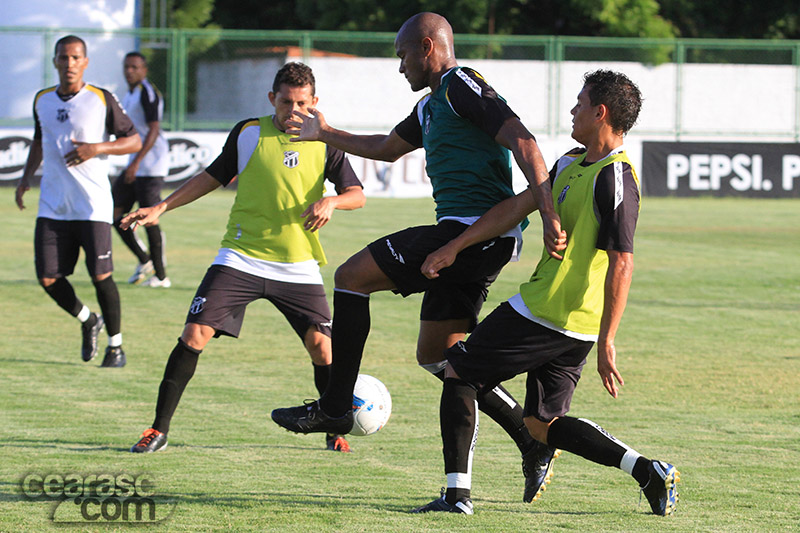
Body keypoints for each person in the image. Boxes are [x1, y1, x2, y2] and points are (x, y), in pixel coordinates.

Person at [271, 12, 566, 500]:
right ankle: (528, 440)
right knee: (442, 358)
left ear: (428, 47)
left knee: (351, 277)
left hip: (471, 233)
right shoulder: (433, 105)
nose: (399, 65)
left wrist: (549, 213)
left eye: (402, 54)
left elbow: (524, 140)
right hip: (472, 237)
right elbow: (387, 148)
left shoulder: (460, 84)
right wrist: (325, 133)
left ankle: (336, 406)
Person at [411, 70, 681, 516]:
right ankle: (648, 470)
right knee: (541, 425)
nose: (571, 110)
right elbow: (515, 208)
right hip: (572, 324)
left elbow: (623, 262)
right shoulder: (570, 163)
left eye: (579, 103)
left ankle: (456, 497)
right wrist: (454, 246)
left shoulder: (616, 179)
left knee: (458, 371)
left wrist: (609, 341)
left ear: (601, 112)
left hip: (545, 310)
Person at [123, 62, 365, 454]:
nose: (293, 110)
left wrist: (333, 201)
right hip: (240, 257)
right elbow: (210, 177)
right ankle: (158, 429)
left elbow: (357, 193)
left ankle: (333, 426)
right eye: (286, 102)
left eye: (302, 103)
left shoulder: (326, 142)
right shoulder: (248, 132)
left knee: (323, 348)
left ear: (314, 102)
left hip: (298, 264)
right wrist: (161, 207)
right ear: (272, 99)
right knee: (194, 334)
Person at [14, 35, 142, 368]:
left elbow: (134, 140)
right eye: (63, 57)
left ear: (84, 62)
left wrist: (96, 148)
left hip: (92, 205)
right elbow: (40, 140)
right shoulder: (42, 99)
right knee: (48, 278)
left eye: (75, 58)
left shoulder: (101, 98)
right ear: (55, 61)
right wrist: (26, 178)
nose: (69, 63)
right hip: (53, 205)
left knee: (101, 276)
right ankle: (88, 319)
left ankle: (116, 347)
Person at [112, 51, 171, 288]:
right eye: (127, 67)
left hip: (150, 164)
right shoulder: (129, 94)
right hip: (135, 164)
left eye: (135, 67)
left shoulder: (148, 93)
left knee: (150, 218)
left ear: (144, 70)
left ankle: (161, 276)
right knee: (116, 214)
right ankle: (144, 259)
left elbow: (154, 130)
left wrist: (136, 162)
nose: (130, 71)